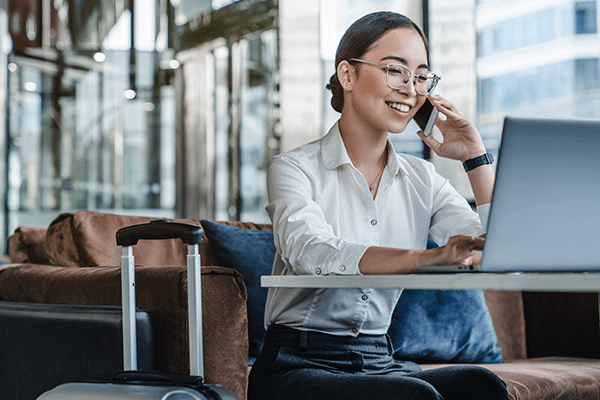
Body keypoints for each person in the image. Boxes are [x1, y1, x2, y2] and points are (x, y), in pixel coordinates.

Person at [248, 11, 508, 400]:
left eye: (420, 76)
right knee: (413, 397)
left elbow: (495, 248)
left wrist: (474, 157)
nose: (410, 88)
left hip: (379, 358)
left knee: (480, 385)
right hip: (298, 363)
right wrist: (427, 257)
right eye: (394, 70)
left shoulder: (424, 180)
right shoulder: (293, 168)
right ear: (348, 75)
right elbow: (310, 251)